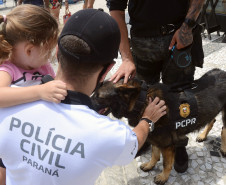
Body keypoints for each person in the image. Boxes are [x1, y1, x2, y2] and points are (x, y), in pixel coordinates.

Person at [0, 9, 166, 185]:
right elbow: (134, 142)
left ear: (57, 52)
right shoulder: (108, 133)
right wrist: (148, 120)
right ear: (107, 71)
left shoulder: (7, 109)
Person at [107, 0, 205, 173]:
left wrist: (187, 27)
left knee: (181, 97)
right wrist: (126, 58)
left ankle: (179, 143)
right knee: (145, 100)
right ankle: (149, 140)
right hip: (142, 42)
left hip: (180, 34)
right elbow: (116, 8)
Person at [0, 5, 67, 184]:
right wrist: (39, 92)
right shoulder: (7, 69)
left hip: (33, 138)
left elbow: (53, 88)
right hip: (9, 140)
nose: (50, 57)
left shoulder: (42, 66)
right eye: (48, 51)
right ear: (29, 50)